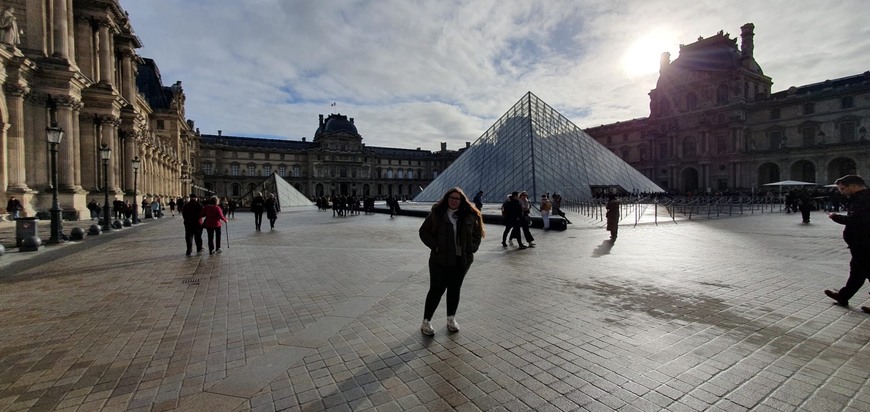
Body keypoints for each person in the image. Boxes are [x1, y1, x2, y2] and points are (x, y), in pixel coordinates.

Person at [418, 187, 484, 336]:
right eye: (451, 198)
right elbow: (423, 232)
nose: (454, 201)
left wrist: (472, 248)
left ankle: (451, 319)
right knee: (436, 290)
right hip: (439, 259)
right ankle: (426, 321)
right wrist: (435, 246)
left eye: (457, 198)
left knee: (455, 289)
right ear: (447, 199)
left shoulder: (469, 215)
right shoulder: (437, 214)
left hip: (461, 259)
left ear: (461, 200)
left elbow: (477, 233)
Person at [824, 175, 870, 314]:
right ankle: (843, 296)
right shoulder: (862, 198)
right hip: (860, 242)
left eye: (842, 189)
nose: (841, 192)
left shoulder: (864, 200)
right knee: (857, 272)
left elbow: (856, 220)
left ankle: (843, 296)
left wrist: (835, 216)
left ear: (853, 185)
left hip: (865, 242)